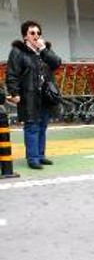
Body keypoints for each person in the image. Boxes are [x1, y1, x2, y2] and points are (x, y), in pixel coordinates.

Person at [6, 20, 61, 169]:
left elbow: (57, 63)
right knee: (32, 126)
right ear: (25, 36)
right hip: (28, 94)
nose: (36, 35)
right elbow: (12, 73)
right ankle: (32, 158)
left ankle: (40, 155)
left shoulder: (44, 50)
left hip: (45, 95)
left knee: (43, 126)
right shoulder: (18, 52)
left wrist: (43, 49)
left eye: (38, 33)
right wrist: (14, 92)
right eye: (32, 33)